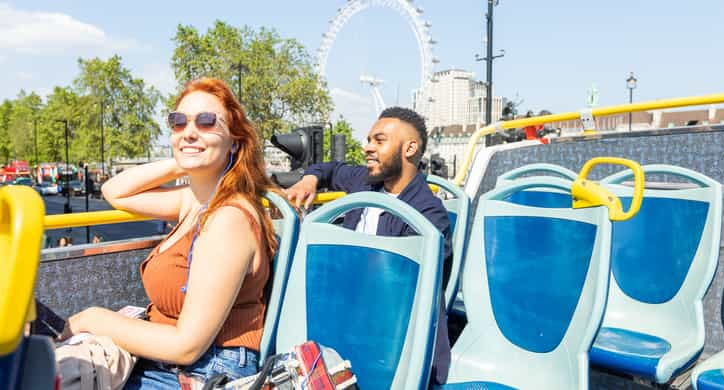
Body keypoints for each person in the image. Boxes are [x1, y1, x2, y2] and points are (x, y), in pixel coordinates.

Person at [61, 78, 278, 388]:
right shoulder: (193, 199)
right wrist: (184, 159)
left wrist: (91, 319)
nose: (189, 131)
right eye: (178, 123)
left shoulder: (228, 219)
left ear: (235, 141)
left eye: (206, 122)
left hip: (203, 372)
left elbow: (185, 347)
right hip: (161, 361)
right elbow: (115, 191)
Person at [285, 106, 452, 384]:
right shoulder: (366, 182)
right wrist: (310, 179)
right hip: (345, 320)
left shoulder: (428, 216)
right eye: (368, 140)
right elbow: (331, 169)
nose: (367, 148)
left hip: (390, 342)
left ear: (409, 148)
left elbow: (402, 293)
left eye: (379, 140)